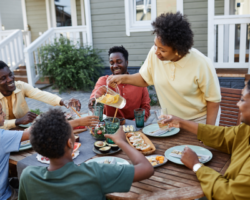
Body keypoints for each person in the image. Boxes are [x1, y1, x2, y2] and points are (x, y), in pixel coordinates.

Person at [108, 12, 221, 125]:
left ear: (178, 50)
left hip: (198, 121)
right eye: (155, 45)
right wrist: (122, 78)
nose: (156, 52)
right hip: (169, 119)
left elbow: (213, 101)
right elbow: (144, 79)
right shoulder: (154, 53)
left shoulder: (201, 63)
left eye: (162, 50)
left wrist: (208, 132)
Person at [18, 109, 154, 200]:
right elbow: (146, 169)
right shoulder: (95, 173)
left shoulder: (27, 176)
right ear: (70, 144)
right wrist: (121, 141)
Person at [159, 81, 250, 200]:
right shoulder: (246, 129)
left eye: (242, 100)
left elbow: (231, 194)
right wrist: (181, 122)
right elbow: (222, 136)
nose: (238, 104)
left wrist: (196, 166)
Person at [0, 105, 99, 200]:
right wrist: (78, 122)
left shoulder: (27, 174)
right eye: (0, 112)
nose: (4, 114)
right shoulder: (3, 137)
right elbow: (39, 131)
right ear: (70, 143)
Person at [0, 61, 81, 130]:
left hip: (25, 132)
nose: (10, 79)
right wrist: (18, 121)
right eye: (3, 78)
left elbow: (41, 95)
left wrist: (63, 101)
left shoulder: (21, 87)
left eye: (10, 74)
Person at [89, 46, 151, 121]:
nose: (115, 66)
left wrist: (134, 124)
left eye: (119, 62)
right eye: (112, 63)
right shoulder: (104, 80)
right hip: (109, 125)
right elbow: (96, 93)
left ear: (127, 62)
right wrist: (93, 100)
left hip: (133, 125)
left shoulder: (139, 82)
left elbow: (145, 107)